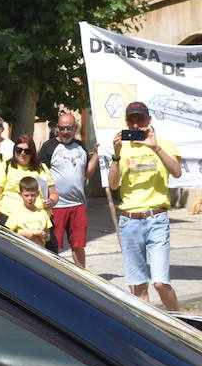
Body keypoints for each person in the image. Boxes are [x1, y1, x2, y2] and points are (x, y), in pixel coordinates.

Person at [108, 101, 182, 310]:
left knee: (160, 283)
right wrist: (115, 154)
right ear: (126, 122)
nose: (136, 125)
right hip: (129, 221)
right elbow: (113, 184)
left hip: (156, 218)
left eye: (140, 119)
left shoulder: (164, 144)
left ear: (149, 120)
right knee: (138, 287)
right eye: (131, 120)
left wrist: (155, 147)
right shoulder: (122, 148)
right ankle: (151, 333)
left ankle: (183, 326)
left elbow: (176, 172)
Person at [39, 112, 98, 267]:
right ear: (57, 128)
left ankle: (82, 278)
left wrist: (97, 155)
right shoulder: (49, 147)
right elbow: (39, 175)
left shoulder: (80, 147)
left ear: (75, 128)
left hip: (78, 204)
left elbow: (86, 173)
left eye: (69, 128)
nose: (65, 131)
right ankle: (52, 276)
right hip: (56, 205)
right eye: (62, 128)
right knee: (52, 246)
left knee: (78, 245)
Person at [0, 134, 58, 221]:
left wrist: (51, 201)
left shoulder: (41, 168)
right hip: (8, 217)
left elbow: (54, 194)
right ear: (14, 150)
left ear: (32, 153)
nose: (22, 153)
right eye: (19, 150)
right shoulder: (6, 166)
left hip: (37, 219)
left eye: (27, 151)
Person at [0, 176, 52, 246]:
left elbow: (48, 237)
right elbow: (9, 235)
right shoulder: (16, 213)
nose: (30, 198)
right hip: (22, 250)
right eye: (26, 195)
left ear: (38, 193)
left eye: (33, 195)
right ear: (20, 195)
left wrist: (45, 235)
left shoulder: (43, 213)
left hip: (39, 250)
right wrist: (23, 234)